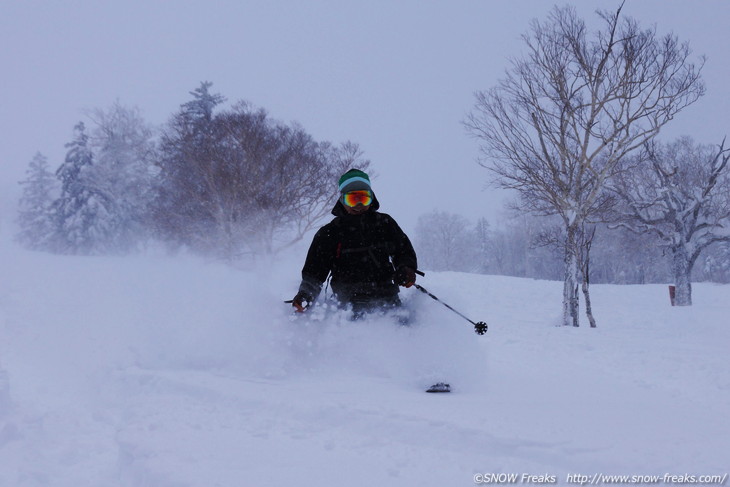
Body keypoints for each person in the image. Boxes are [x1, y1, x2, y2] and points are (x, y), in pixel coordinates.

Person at [291, 169, 418, 318]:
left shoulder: (384, 224)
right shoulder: (329, 233)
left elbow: (403, 251)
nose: (358, 205)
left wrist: (406, 270)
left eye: (363, 199)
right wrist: (306, 294)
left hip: (387, 299)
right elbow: (315, 272)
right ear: (342, 201)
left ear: (371, 199)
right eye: (352, 199)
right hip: (347, 305)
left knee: (401, 333)